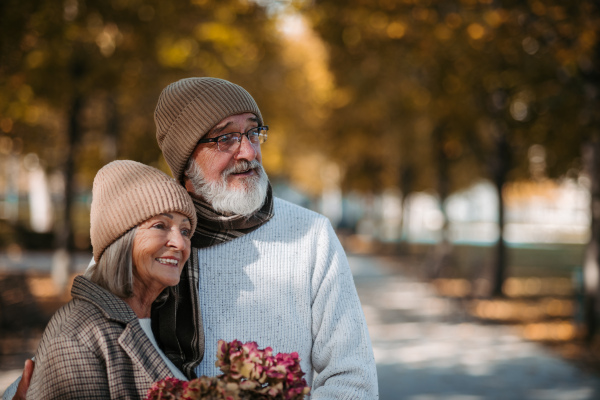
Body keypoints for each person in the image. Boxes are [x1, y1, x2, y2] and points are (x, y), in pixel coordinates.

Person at [6, 78, 378, 399]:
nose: (248, 152)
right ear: (186, 159)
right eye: (225, 138)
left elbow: (352, 377)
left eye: (252, 132)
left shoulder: (310, 234)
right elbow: (75, 349)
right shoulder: (146, 238)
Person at [25, 160, 201, 399]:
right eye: (160, 225)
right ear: (120, 239)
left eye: (185, 230)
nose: (180, 244)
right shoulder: (78, 336)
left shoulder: (159, 319)